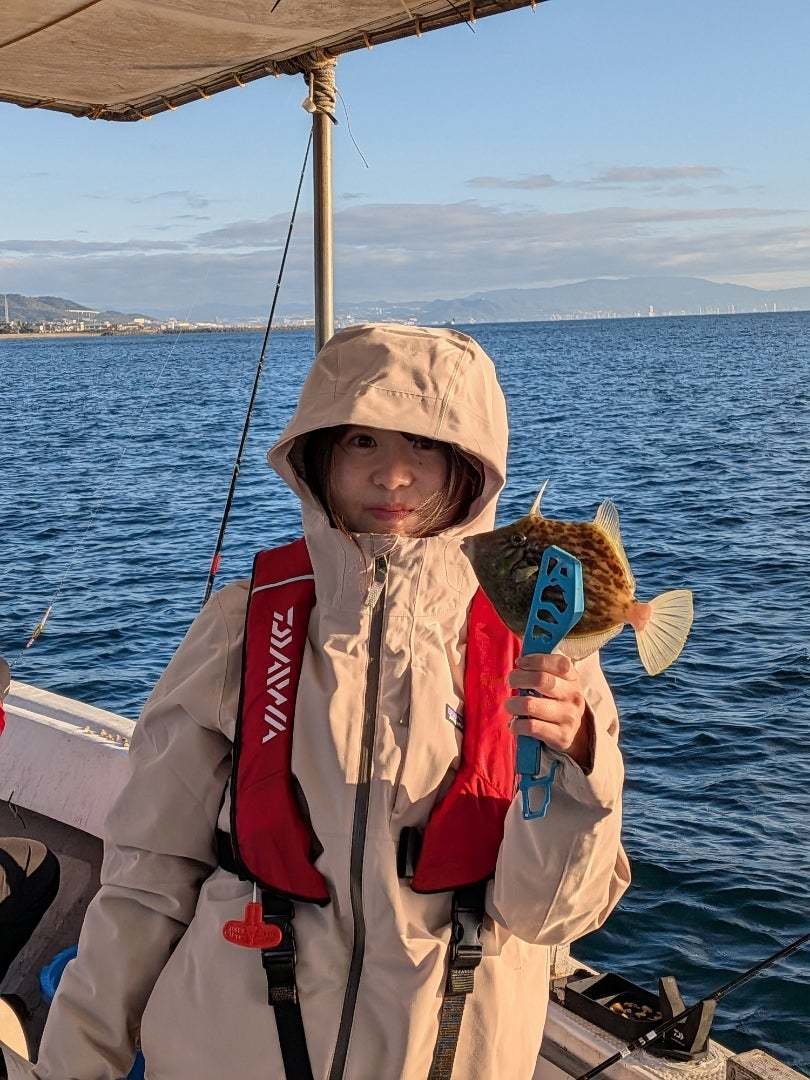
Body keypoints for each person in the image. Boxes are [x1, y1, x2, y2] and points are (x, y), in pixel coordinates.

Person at [1, 324, 630, 1080]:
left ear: (470, 469)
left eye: (425, 445)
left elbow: (550, 916)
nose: (392, 475)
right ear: (318, 457)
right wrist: (78, 1065)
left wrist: (578, 764)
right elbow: (146, 880)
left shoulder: (540, 645)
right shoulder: (242, 623)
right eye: (362, 441)